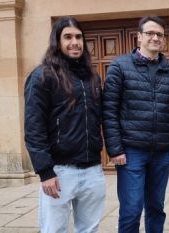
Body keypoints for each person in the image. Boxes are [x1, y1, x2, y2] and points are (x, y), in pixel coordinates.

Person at [102, 15, 169, 233]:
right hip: (131, 151)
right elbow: (109, 110)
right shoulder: (119, 66)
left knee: (156, 208)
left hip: (162, 151)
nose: (155, 37)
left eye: (159, 34)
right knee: (131, 210)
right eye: (150, 33)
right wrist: (115, 148)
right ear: (139, 36)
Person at [24, 16, 106, 233]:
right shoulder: (42, 75)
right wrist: (45, 172)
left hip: (92, 169)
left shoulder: (92, 77)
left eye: (79, 37)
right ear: (57, 41)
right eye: (68, 37)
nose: (75, 42)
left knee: (89, 229)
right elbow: (34, 127)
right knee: (54, 230)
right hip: (59, 172)